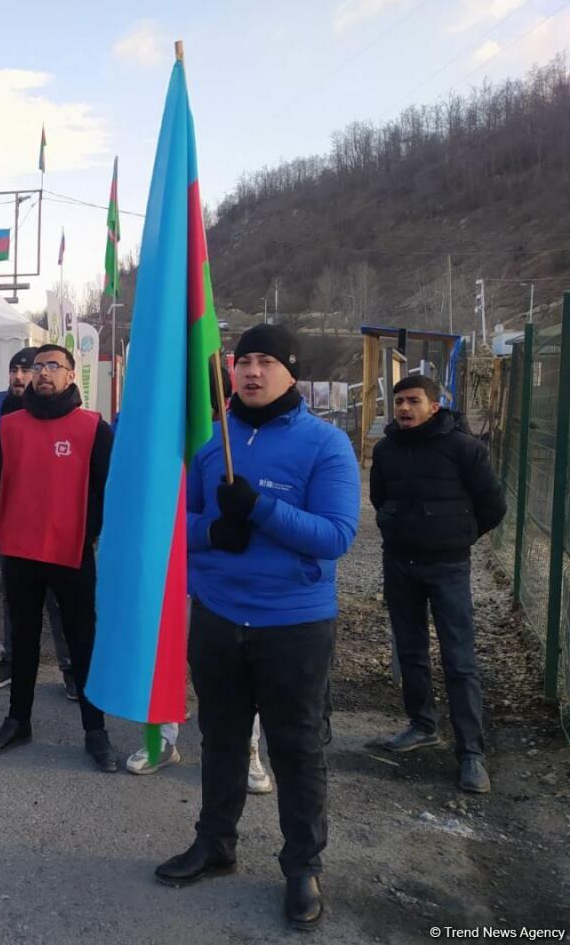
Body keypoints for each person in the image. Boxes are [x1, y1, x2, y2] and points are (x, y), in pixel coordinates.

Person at [155, 325, 360, 932]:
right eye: (243, 361)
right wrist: (212, 531)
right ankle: (215, 843)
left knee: (296, 748)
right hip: (219, 616)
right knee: (220, 739)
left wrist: (260, 509)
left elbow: (336, 536)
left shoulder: (326, 444)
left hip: (293, 624)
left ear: (291, 370)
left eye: (266, 361)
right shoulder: (212, 444)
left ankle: (302, 867)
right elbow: (180, 524)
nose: (250, 371)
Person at [124, 364, 275, 795]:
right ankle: (160, 738)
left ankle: (248, 748)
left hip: (222, 573)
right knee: (163, 656)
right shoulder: (157, 438)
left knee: (237, 667)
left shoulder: (233, 441)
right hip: (166, 567)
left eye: (198, 396)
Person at [0, 345, 119, 772]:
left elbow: (107, 490)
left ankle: (95, 730)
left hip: (71, 552)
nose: (42, 372)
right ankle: (18, 720)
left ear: (71, 375)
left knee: (83, 642)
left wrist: (86, 533)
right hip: (20, 552)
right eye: (36, 366)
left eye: (52, 365)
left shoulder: (93, 428)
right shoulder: (9, 426)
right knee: (22, 641)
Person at [372, 373, 506, 794]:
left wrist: (457, 537)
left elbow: (493, 506)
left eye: (413, 401)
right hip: (399, 564)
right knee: (410, 650)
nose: (404, 408)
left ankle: (471, 753)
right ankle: (422, 725)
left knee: (459, 658)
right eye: (399, 401)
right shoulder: (386, 450)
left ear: (434, 405)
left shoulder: (464, 449)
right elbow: (379, 498)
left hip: (448, 567)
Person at [0, 346, 76, 698]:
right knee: (14, 600)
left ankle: (71, 669)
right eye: (15, 369)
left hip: (56, 524)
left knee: (59, 601)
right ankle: (12, 660)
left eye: (26, 369)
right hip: (13, 523)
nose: (19, 376)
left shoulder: (63, 413)